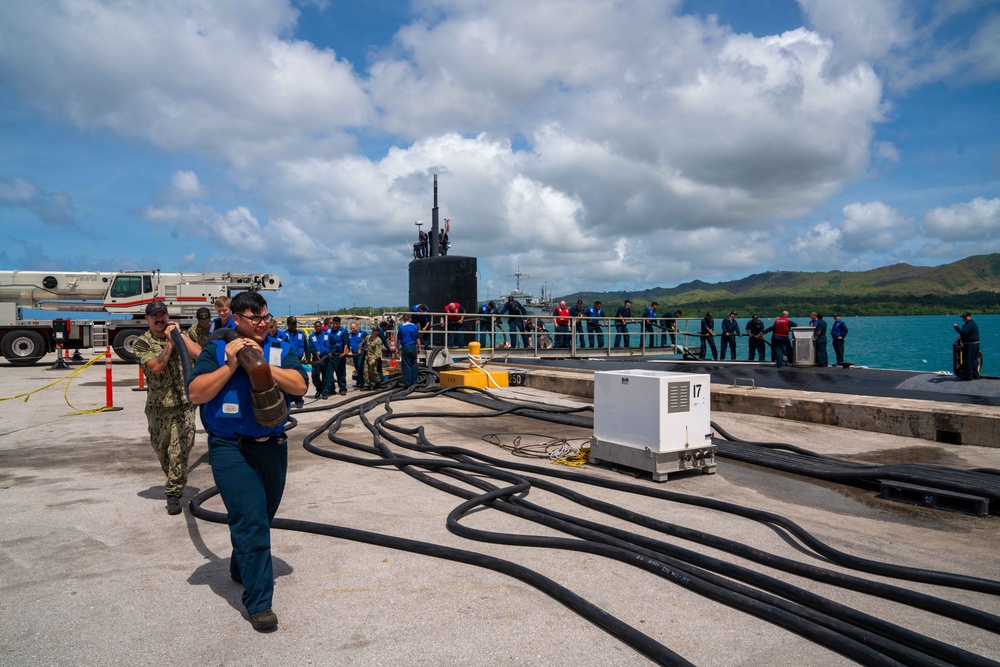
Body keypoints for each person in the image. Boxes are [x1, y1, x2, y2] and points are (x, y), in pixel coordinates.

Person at [188, 290, 306, 633]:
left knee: (262, 516)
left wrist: (262, 364)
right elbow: (196, 393)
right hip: (229, 447)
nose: (262, 323)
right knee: (251, 520)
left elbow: (299, 386)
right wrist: (232, 364)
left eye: (265, 316)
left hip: (272, 446)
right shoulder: (216, 350)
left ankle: (241, 566)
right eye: (254, 318)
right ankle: (259, 603)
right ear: (236, 320)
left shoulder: (282, 348)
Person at [133, 301, 203, 515]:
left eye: (163, 314)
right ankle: (175, 478)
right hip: (158, 407)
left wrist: (179, 336)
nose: (160, 318)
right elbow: (155, 367)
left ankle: (173, 492)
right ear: (148, 318)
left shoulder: (178, 335)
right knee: (162, 450)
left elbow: (199, 354)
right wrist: (171, 344)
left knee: (179, 450)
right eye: (155, 315)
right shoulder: (141, 343)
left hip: (182, 405)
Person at [279, 317, 308, 408]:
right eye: (292, 324)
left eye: (295, 324)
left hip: (298, 360)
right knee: (289, 381)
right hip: (288, 361)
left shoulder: (301, 334)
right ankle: (290, 398)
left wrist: (308, 357)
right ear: (288, 324)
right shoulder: (283, 335)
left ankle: (299, 399)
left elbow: (306, 346)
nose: (294, 326)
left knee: (300, 379)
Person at [954, 312, 981, 380]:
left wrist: (956, 327)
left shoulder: (970, 324)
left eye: (965, 317)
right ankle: (975, 375)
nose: (964, 319)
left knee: (968, 361)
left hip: (970, 345)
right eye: (963, 317)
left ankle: (968, 376)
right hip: (974, 345)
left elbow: (964, 332)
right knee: (973, 360)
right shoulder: (972, 324)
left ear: (970, 317)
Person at [398, 313, 421, 387]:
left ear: (403, 320)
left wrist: (397, 348)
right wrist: (419, 347)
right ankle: (414, 382)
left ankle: (407, 383)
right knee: (414, 364)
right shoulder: (415, 326)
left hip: (406, 347)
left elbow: (399, 339)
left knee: (406, 365)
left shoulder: (401, 327)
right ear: (410, 319)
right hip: (413, 346)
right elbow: (417, 338)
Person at [328, 316, 349, 395]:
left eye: (337, 324)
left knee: (340, 373)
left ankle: (342, 388)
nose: (335, 325)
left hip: (340, 355)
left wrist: (344, 353)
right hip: (330, 355)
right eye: (334, 323)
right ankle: (331, 389)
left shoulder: (343, 332)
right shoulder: (329, 330)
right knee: (329, 373)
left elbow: (346, 343)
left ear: (339, 324)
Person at [308, 320, 329, 399]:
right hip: (316, 360)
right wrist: (315, 352)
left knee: (325, 376)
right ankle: (319, 389)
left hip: (325, 359)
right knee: (314, 375)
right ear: (314, 328)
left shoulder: (327, 335)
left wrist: (330, 352)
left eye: (319, 326)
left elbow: (332, 345)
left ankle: (324, 392)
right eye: (316, 327)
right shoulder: (311, 337)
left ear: (321, 326)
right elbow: (310, 347)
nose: (318, 328)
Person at [362, 320, 384, 389]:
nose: (373, 332)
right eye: (372, 330)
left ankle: (377, 382)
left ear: (377, 332)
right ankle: (367, 384)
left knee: (373, 372)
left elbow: (378, 351)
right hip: (367, 356)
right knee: (365, 371)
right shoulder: (368, 337)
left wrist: (374, 358)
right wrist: (361, 350)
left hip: (373, 357)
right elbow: (362, 343)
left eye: (374, 331)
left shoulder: (378, 340)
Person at [348, 321, 366, 387]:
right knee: (356, 367)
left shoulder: (362, 333)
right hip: (354, 354)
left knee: (360, 366)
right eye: (351, 328)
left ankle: (361, 382)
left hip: (361, 354)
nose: (353, 330)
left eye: (353, 328)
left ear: (357, 327)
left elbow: (368, 341)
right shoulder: (350, 335)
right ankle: (360, 380)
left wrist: (364, 349)